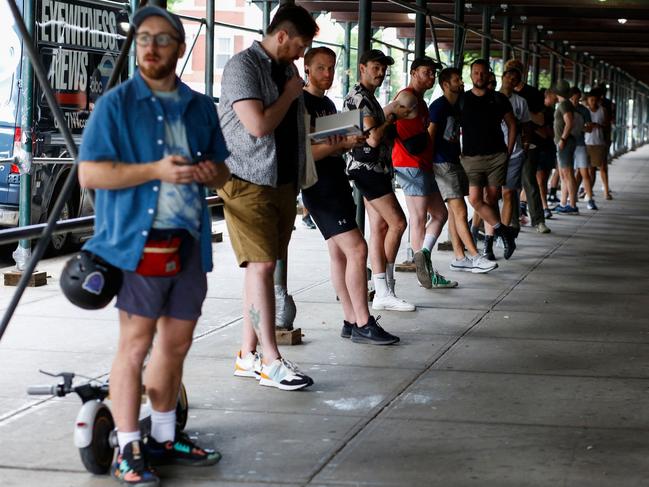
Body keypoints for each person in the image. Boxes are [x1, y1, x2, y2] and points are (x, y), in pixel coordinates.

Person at [78, 6, 228, 485]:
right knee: (135, 344)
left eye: (162, 39)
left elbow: (223, 169)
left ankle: (164, 436)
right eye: (143, 38)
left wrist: (210, 173)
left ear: (179, 47)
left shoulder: (201, 107)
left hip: (187, 243)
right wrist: (156, 171)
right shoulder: (116, 105)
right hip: (135, 244)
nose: (150, 47)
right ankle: (127, 447)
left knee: (177, 343)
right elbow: (92, 174)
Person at [217, 4, 317, 390]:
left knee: (259, 270)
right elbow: (257, 125)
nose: (303, 54)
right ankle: (271, 361)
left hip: (281, 181)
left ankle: (247, 354)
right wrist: (291, 95)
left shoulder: (288, 70)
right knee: (261, 268)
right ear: (281, 36)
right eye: (301, 44)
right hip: (247, 179)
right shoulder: (243, 67)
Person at [302, 46, 399, 345]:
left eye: (331, 68)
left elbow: (328, 145)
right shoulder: (301, 104)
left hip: (335, 181)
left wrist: (345, 143)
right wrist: (341, 142)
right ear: (306, 68)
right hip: (320, 188)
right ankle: (363, 322)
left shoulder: (328, 104)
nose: (327, 74)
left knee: (339, 253)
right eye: (320, 68)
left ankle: (350, 319)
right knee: (357, 249)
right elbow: (305, 153)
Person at [343, 49, 415, 312]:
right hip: (367, 169)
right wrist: (393, 117)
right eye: (375, 67)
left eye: (383, 68)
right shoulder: (360, 98)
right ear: (362, 68)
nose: (381, 72)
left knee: (380, 228)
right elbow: (372, 139)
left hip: (374, 168)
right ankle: (385, 288)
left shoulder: (369, 98)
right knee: (398, 222)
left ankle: (383, 288)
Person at [392, 56, 458, 289]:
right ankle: (424, 271)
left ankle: (424, 257)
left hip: (421, 164)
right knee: (419, 217)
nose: (431, 77)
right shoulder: (408, 97)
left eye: (432, 73)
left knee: (439, 214)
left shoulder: (420, 101)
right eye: (426, 72)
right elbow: (397, 127)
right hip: (411, 164)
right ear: (413, 72)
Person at [429, 67, 497, 274]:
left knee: (453, 212)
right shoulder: (439, 107)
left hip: (453, 161)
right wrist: (430, 163)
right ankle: (476, 256)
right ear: (445, 85)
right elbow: (430, 136)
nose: (462, 82)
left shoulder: (455, 106)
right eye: (457, 79)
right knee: (460, 210)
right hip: (441, 164)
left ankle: (459, 257)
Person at [460, 59, 518, 261]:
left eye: (483, 73)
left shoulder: (499, 99)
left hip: (496, 156)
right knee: (475, 199)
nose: (479, 77)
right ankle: (505, 232)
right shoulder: (463, 99)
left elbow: (512, 124)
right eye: (475, 73)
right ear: (471, 75)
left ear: (489, 75)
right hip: (471, 157)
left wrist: (508, 152)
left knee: (492, 199)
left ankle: (489, 246)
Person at [504, 59, 550, 234]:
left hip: (528, 144)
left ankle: (538, 220)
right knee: (510, 186)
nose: (512, 76)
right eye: (509, 72)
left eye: (515, 72)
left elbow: (540, 120)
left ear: (521, 74)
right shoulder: (498, 95)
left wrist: (521, 110)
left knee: (529, 181)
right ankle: (513, 220)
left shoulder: (532, 94)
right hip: (506, 145)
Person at [499, 67, 532, 233]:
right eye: (509, 77)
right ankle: (484, 228)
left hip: (514, 153)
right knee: (488, 196)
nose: (510, 81)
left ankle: (504, 231)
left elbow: (527, 126)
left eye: (514, 80)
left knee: (509, 192)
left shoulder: (520, 102)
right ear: (503, 77)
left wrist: (525, 145)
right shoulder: (491, 98)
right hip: (493, 153)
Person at [549, 80, 579, 214]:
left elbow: (569, 123)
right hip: (563, 142)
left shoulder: (564, 105)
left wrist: (562, 139)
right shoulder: (564, 104)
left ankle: (572, 204)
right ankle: (564, 202)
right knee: (563, 174)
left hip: (565, 142)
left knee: (568, 173)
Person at [569, 87, 598, 210]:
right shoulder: (564, 109)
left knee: (584, 172)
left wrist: (579, 128)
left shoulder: (584, 111)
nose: (575, 101)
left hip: (580, 143)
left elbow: (590, 128)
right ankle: (570, 199)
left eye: (577, 98)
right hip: (567, 145)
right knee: (567, 174)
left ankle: (590, 199)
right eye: (573, 98)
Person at [585, 89, 612, 200]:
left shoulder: (603, 110)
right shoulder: (585, 111)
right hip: (587, 142)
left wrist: (599, 126)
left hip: (600, 142)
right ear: (587, 101)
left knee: (603, 167)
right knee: (590, 170)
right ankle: (589, 192)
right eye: (591, 100)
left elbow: (607, 126)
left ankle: (606, 191)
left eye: (595, 100)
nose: (593, 102)